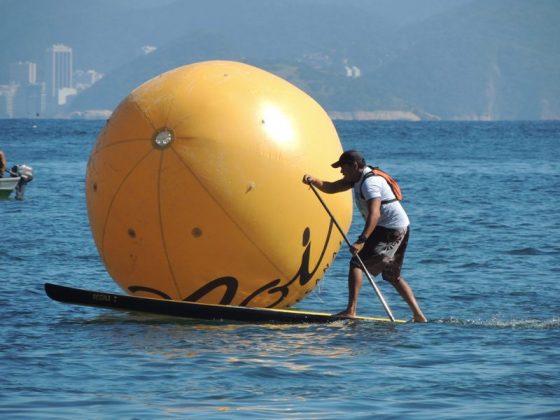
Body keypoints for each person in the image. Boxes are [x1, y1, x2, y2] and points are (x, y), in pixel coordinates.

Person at [303, 150, 427, 322]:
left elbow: (374, 214)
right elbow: (332, 187)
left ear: (355, 166)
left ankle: (351, 310)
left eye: (343, 168)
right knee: (392, 275)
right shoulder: (357, 178)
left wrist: (362, 240)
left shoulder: (370, 183)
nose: (341, 172)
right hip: (395, 227)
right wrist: (314, 181)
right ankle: (419, 316)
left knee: (357, 264)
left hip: (391, 229)